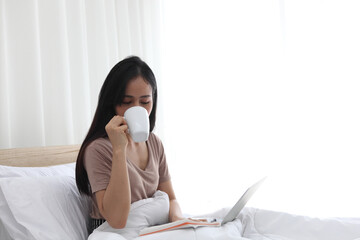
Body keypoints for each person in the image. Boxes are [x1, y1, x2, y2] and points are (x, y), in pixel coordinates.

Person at [75, 56, 184, 232]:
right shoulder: (98, 149)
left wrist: (180, 222)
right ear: (112, 103)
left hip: (150, 230)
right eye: (127, 102)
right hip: (113, 233)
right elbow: (117, 220)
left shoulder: (154, 143)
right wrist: (119, 149)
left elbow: (171, 199)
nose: (137, 109)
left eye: (145, 102)